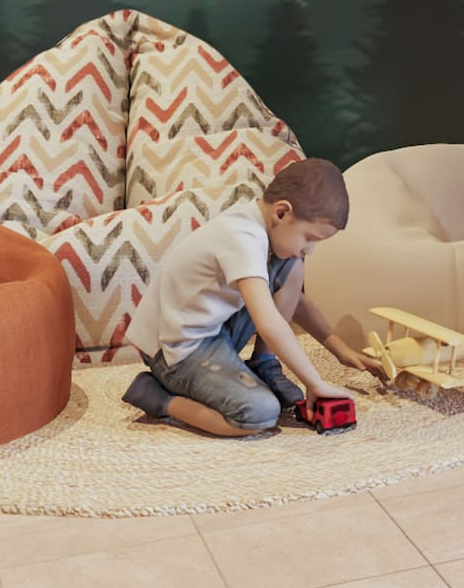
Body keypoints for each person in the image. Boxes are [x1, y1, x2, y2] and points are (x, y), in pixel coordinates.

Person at [122, 158, 371, 435]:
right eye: (309, 238)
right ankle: (159, 398)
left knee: (292, 266)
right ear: (281, 213)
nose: (310, 249)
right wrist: (315, 382)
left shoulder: (262, 229)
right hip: (176, 348)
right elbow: (268, 321)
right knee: (259, 414)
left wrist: (341, 350)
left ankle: (263, 363)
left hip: (213, 329)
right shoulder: (242, 237)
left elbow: (296, 302)